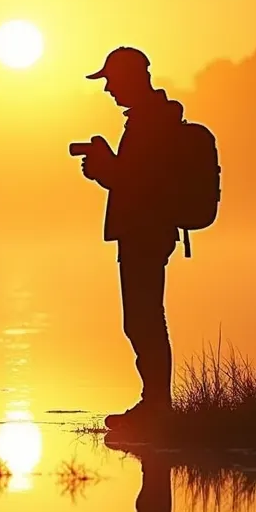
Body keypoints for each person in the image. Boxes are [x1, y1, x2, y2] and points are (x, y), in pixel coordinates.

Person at [79, 46, 186, 434]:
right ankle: (155, 403)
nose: (108, 89)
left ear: (132, 78)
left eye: (111, 80)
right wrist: (107, 168)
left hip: (145, 232)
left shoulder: (149, 123)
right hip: (144, 230)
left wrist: (103, 168)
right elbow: (135, 179)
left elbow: (138, 184)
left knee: (144, 319)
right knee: (142, 318)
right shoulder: (149, 119)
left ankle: (156, 406)